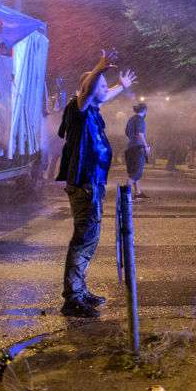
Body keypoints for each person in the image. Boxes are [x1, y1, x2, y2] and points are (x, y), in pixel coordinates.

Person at [56, 49, 136, 318]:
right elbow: (90, 91)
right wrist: (98, 68)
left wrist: (119, 86)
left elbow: (99, 94)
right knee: (83, 240)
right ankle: (73, 298)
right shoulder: (78, 109)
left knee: (88, 240)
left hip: (93, 183)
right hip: (85, 184)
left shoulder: (91, 108)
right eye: (100, 85)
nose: (104, 90)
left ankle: (79, 290)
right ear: (87, 87)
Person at [124, 102, 150, 199]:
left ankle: (137, 192)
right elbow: (140, 133)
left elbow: (127, 133)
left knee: (133, 171)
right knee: (136, 172)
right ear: (145, 110)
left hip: (129, 148)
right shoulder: (140, 119)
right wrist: (146, 146)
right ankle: (125, 194)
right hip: (137, 148)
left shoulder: (131, 119)